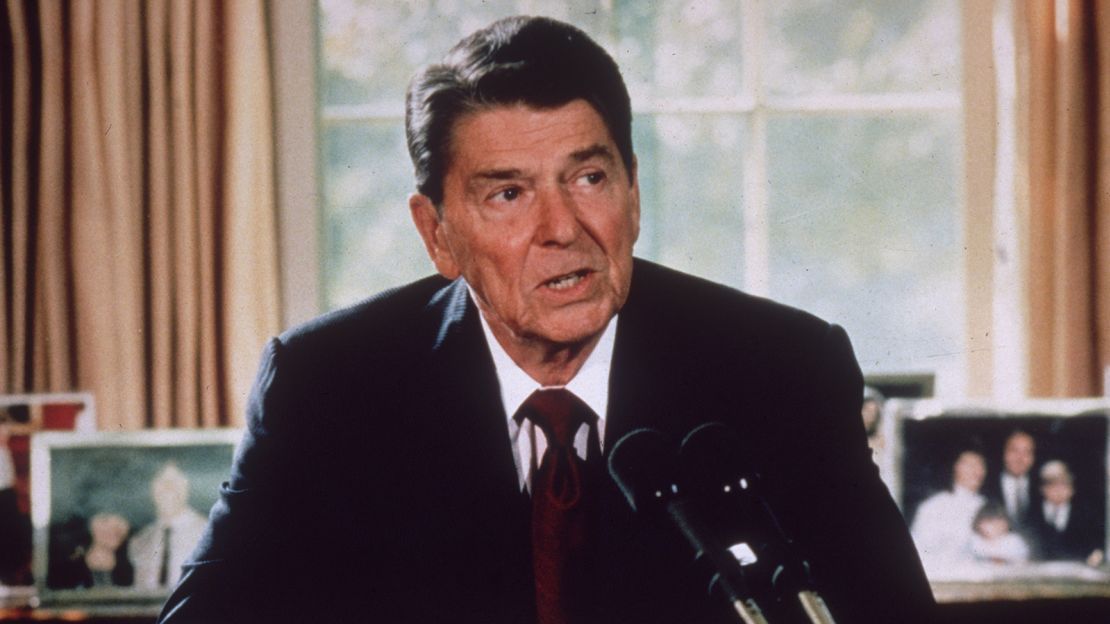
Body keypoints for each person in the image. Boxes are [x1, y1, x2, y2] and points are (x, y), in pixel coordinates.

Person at [157, 16, 933, 623]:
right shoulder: (330, 386)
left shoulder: (779, 370)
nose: (562, 227)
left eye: (589, 176)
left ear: (633, 193)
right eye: (508, 193)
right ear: (437, 234)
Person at [129, 463, 208, 591]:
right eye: (161, 480)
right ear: (150, 487)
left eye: (176, 480)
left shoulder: (211, 534)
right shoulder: (139, 540)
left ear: (190, 485)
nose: (169, 487)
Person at [910, 449, 987, 574]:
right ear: (955, 467)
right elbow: (918, 553)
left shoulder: (989, 507)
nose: (976, 470)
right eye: (969, 464)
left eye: (980, 464)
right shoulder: (932, 507)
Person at [1033, 460, 1105, 565]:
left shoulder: (1086, 516)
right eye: (1052, 484)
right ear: (1042, 488)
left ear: (1072, 488)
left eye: (1064, 483)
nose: (1058, 489)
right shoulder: (1031, 515)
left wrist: (1097, 554)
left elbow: (1099, 545)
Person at [983, 429, 1039, 536]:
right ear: (1004, 452)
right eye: (1014, 450)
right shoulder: (986, 485)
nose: (1020, 458)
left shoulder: (1041, 488)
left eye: (1027, 452)